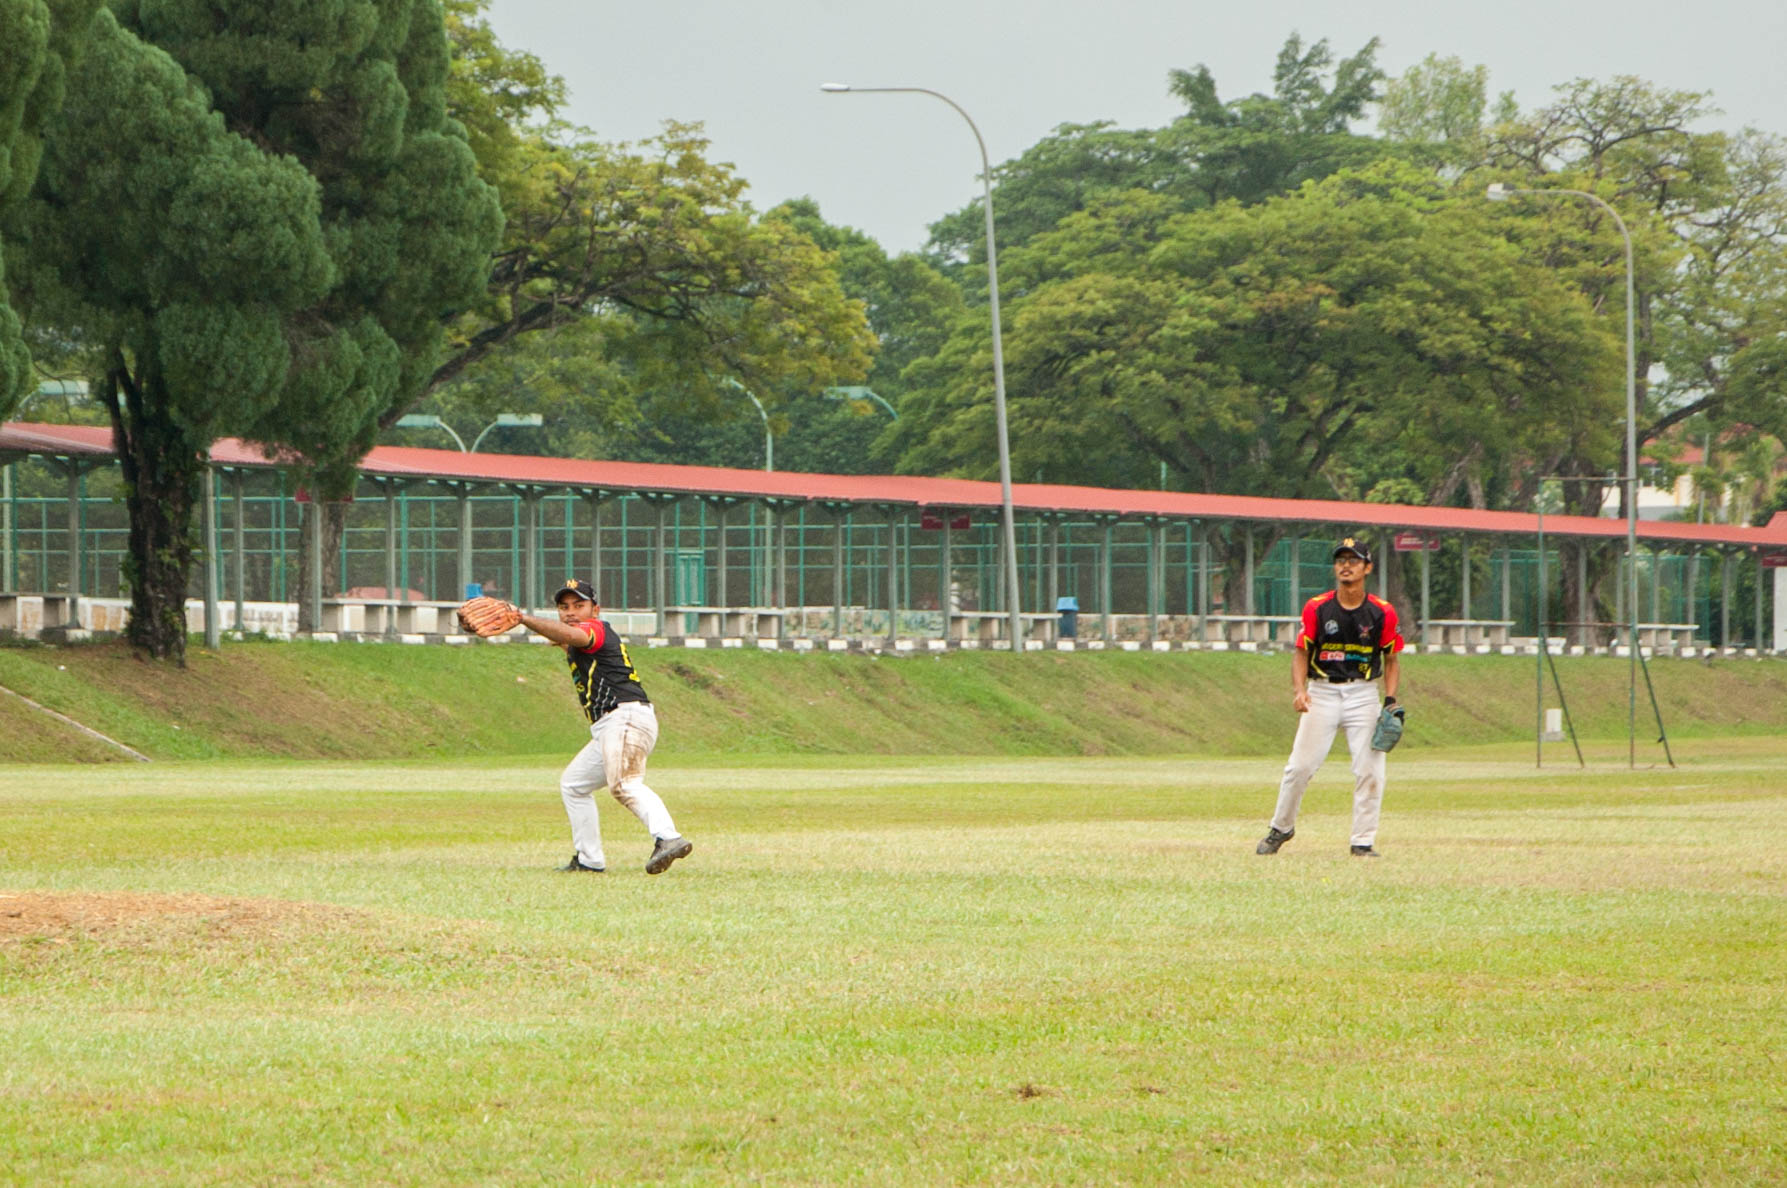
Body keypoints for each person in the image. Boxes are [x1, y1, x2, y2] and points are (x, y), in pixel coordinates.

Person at [514, 579, 692, 875]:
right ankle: (589, 860)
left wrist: (521, 618)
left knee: (624, 784)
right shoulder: (578, 638)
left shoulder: (595, 629)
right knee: (574, 785)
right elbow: (560, 637)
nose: (571, 612)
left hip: (624, 717)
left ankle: (668, 837)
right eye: (563, 607)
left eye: (579, 605)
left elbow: (570, 634)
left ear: (595, 610)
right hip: (613, 724)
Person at [1256, 537, 1404, 858]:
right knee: (1299, 767)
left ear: (1367, 568)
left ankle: (1362, 841)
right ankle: (1281, 828)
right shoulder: (1318, 607)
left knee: (1370, 770)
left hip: (1363, 692)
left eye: (1354, 560)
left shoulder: (1382, 612)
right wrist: (1299, 691)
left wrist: (1390, 701)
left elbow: (1391, 659)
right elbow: (1301, 652)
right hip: (1321, 691)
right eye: (1340, 560)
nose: (1346, 566)